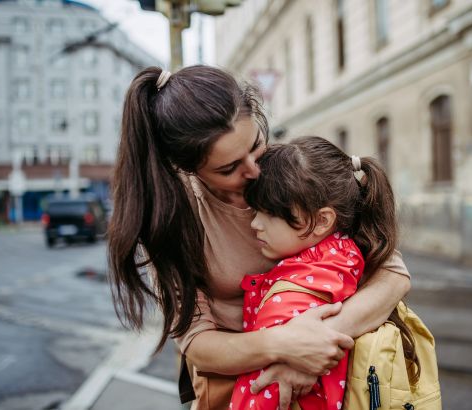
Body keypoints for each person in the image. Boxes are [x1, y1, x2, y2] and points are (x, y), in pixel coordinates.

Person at [107, 66, 411, 409]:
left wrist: (315, 348)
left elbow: (392, 274)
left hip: (335, 383)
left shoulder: (292, 171)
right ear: (188, 168)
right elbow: (199, 345)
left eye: (256, 146)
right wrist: (283, 347)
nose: (253, 170)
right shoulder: (170, 218)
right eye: (228, 168)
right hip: (240, 392)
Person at [231, 136, 400, 409]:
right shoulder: (348, 255)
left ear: (322, 220)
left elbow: (262, 393)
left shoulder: (296, 292)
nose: (255, 223)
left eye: (269, 213)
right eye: (255, 210)